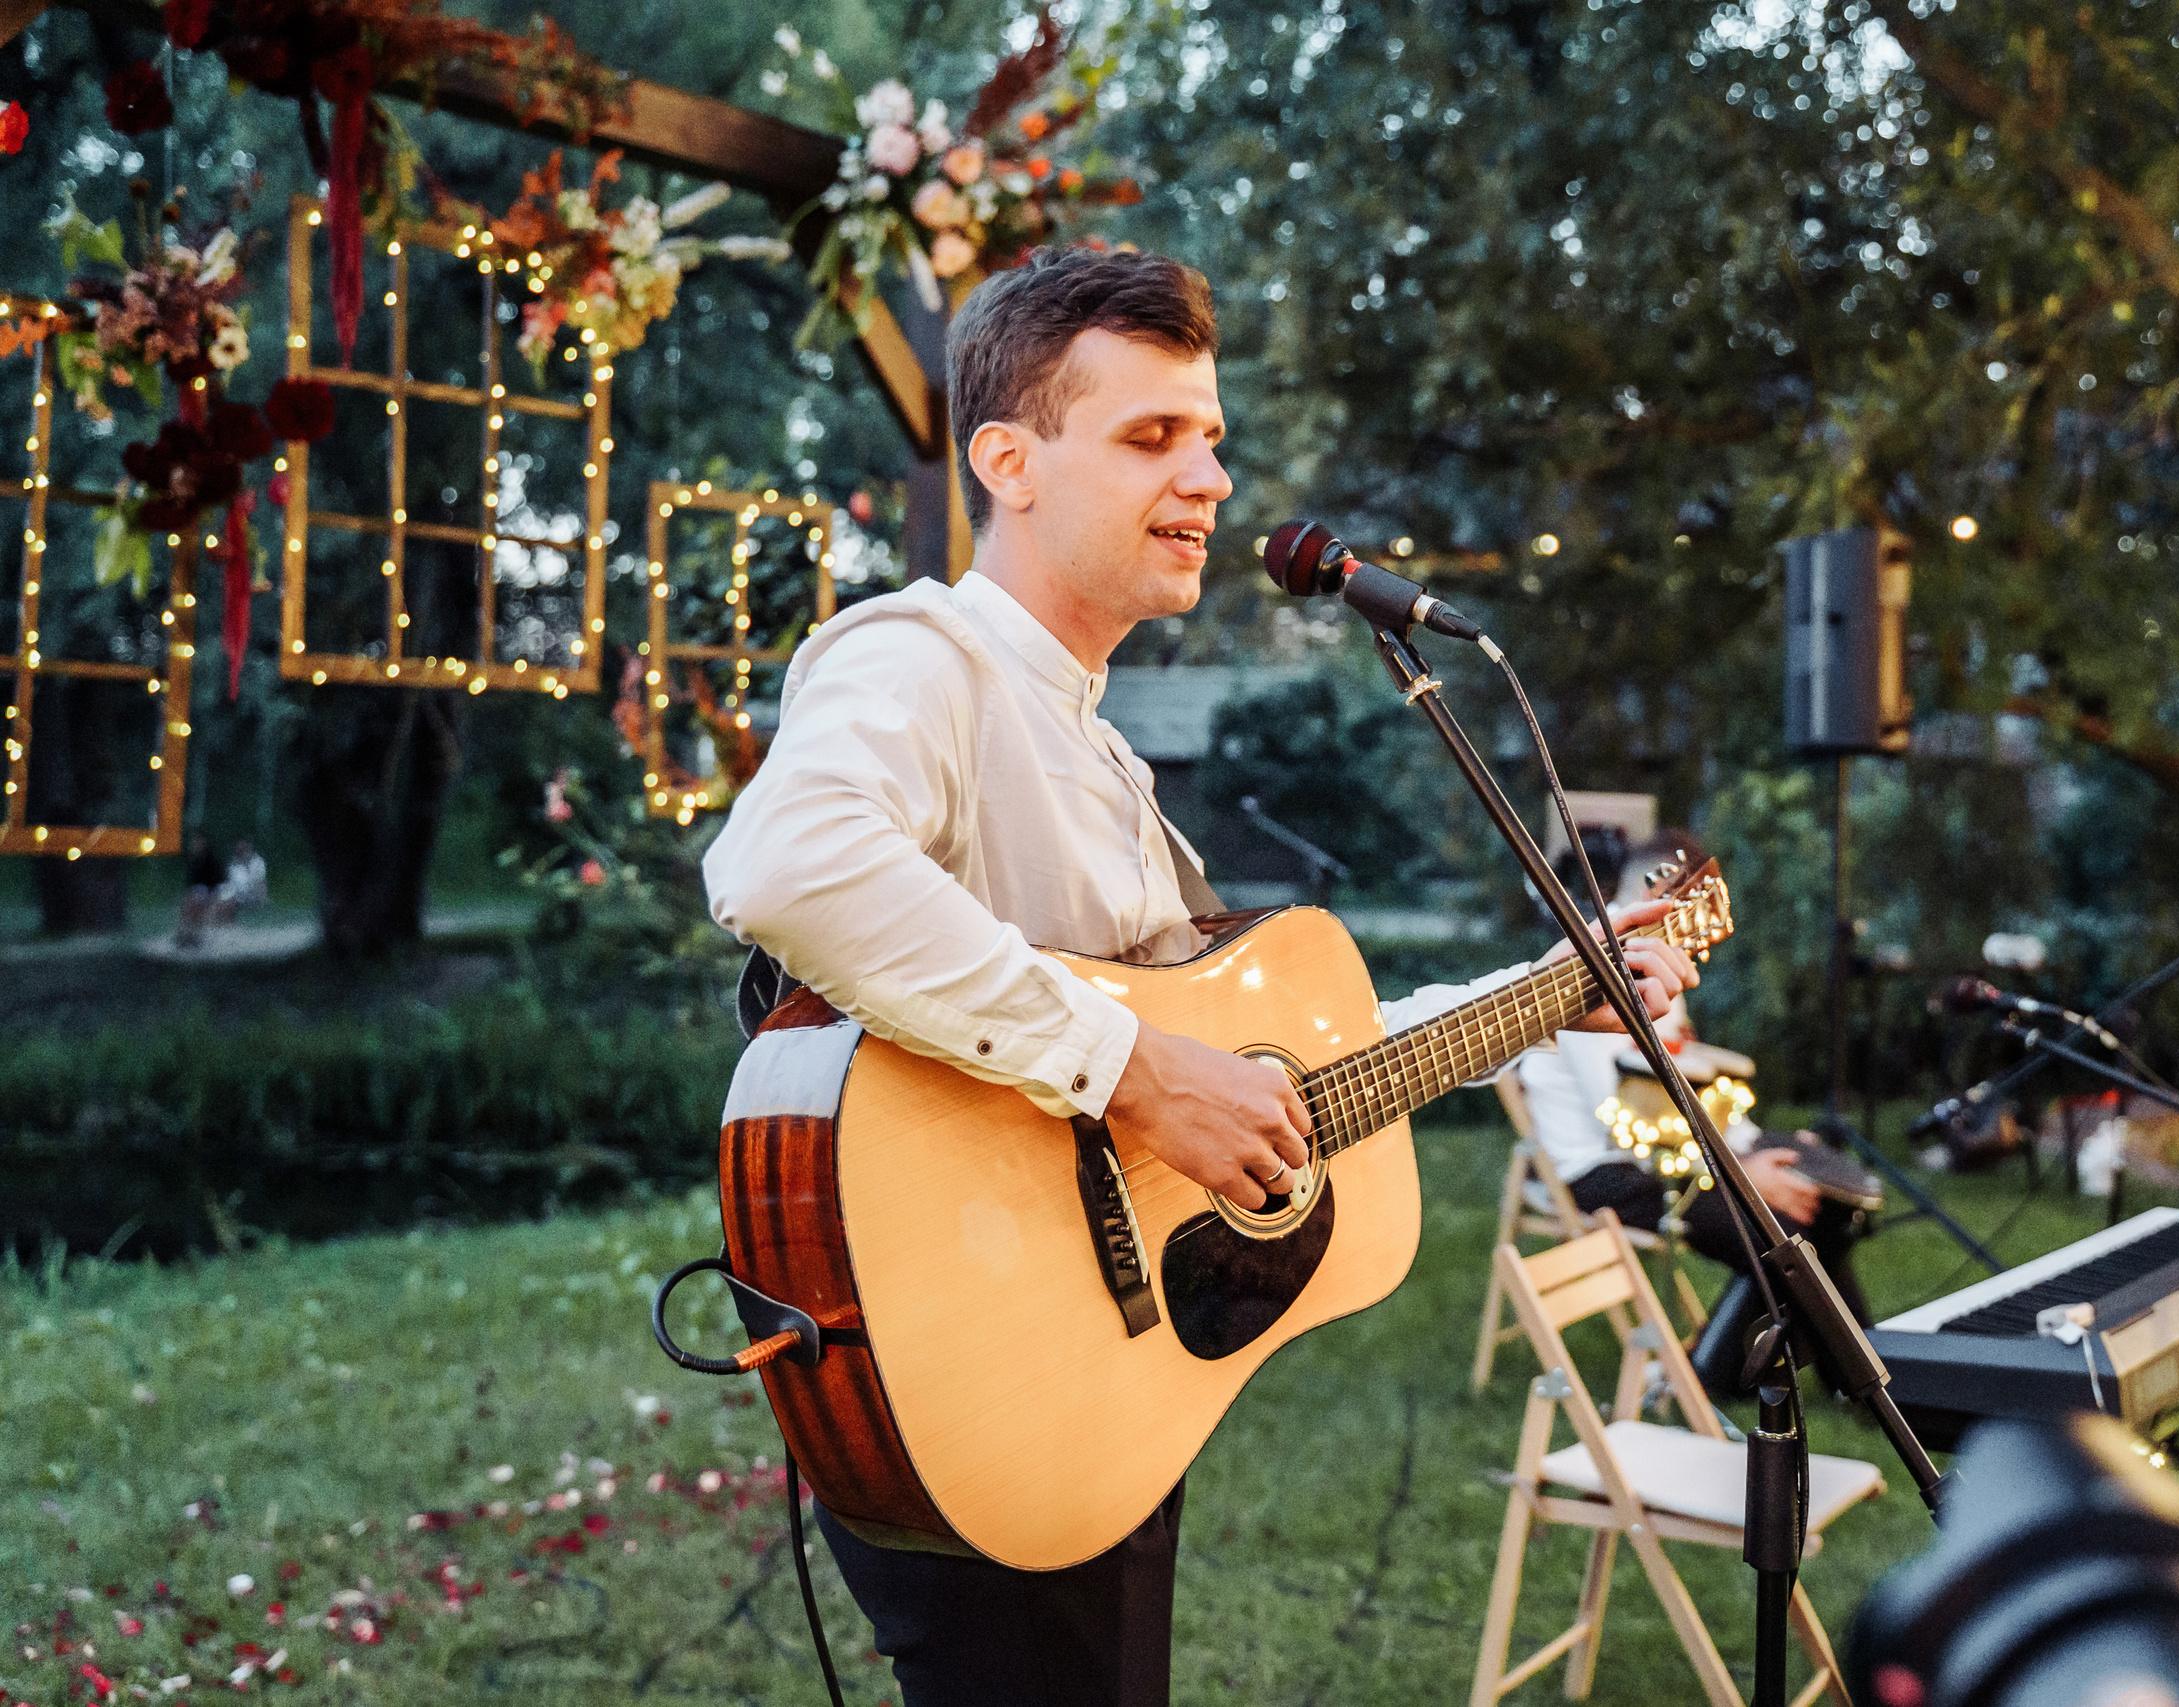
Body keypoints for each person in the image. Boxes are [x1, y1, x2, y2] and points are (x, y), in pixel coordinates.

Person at [699, 247, 1700, 1707]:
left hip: (1103, 1382)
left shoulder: (1099, 751)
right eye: (1153, 436)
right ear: (1010, 462)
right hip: (977, 1369)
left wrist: (1551, 990)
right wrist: (1134, 1071)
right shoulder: (927, 656)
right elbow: (788, 866)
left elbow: (1290, 1057)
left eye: (1213, 436)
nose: (1213, 476)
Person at [1513, 826, 1876, 1334]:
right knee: (1787, 1232)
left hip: (1669, 1150)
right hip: (1607, 1169)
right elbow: (1628, 1122)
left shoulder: (1650, 954)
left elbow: (1680, 1075)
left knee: (1831, 1200)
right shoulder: (1589, 968)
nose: (1702, 926)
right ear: (1654, 893)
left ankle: (1851, 1372)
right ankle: (1841, 1378)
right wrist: (1744, 1171)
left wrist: (1751, 1141)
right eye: (1693, 906)